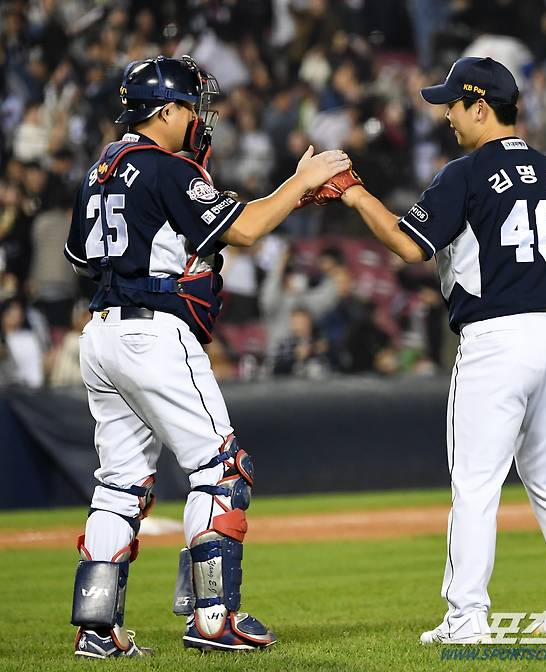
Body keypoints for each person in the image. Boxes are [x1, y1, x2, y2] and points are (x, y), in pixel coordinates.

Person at [63, 54, 350, 658]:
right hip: (155, 335)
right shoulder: (165, 167)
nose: (199, 117)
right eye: (192, 106)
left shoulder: (101, 169)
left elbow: (80, 257)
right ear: (164, 111)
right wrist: (300, 184)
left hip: (102, 334)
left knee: (118, 484)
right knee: (221, 472)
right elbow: (241, 231)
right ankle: (214, 617)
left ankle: (96, 625)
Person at [339, 57, 546, 643]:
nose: (448, 116)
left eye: (453, 105)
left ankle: (466, 618)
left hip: (496, 340)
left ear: (480, 107)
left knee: (477, 484)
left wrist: (355, 196)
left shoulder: (466, 173)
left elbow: (409, 247)